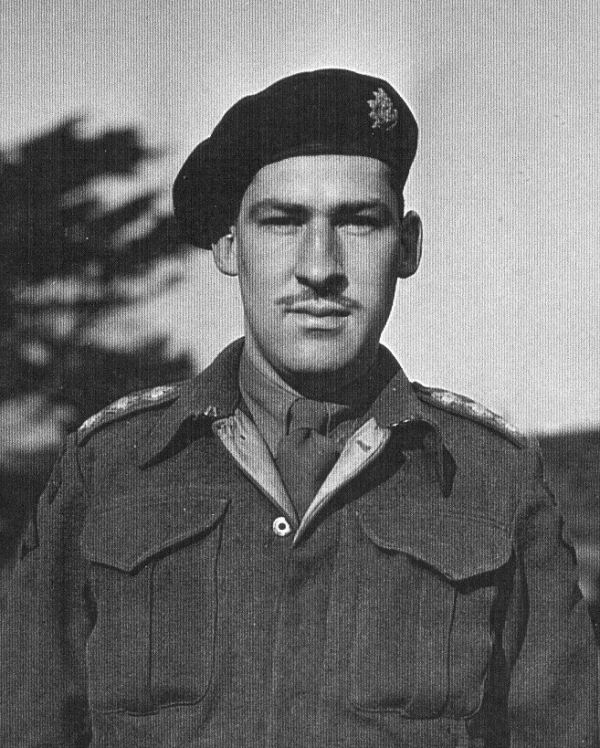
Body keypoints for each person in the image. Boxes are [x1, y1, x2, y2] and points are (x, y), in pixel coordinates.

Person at [0, 69, 597, 747]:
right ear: (230, 245)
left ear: (407, 247)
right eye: (283, 222)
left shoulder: (495, 481)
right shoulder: (108, 469)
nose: (320, 266)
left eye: (358, 222)